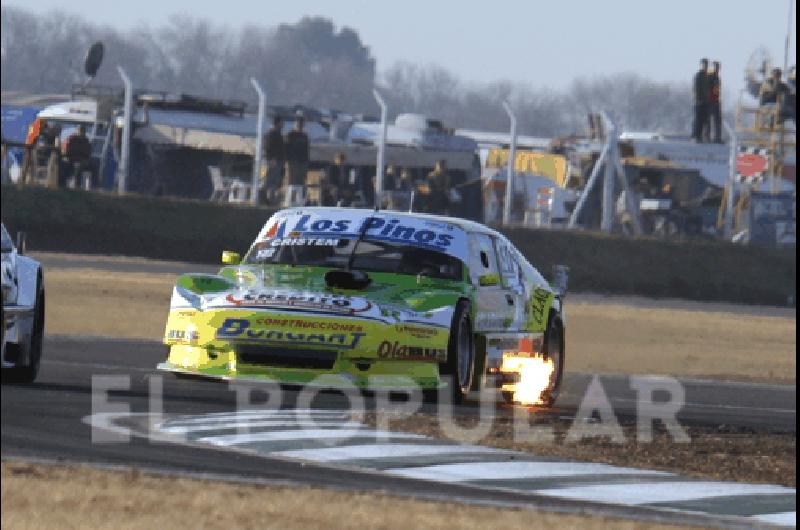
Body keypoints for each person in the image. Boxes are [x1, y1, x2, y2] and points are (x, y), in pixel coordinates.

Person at [260, 116, 285, 203]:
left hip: (279, 161)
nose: (283, 124)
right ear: (277, 123)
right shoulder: (271, 134)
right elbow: (268, 147)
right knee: (269, 181)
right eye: (281, 122)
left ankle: (271, 199)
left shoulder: (278, 134)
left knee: (275, 181)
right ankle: (263, 198)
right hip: (273, 161)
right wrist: (271, 159)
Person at [284, 115, 310, 189]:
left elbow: (306, 149)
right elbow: (286, 148)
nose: (300, 126)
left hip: (303, 162)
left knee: (301, 181)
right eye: (298, 124)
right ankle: (290, 198)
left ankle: (299, 198)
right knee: (291, 181)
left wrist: (306, 161)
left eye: (301, 124)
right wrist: (287, 160)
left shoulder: (305, 136)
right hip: (293, 161)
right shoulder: (290, 135)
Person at [692, 58, 710, 142]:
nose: (705, 66)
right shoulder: (698, 75)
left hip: (706, 102)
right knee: (698, 120)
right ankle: (696, 136)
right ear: (701, 65)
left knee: (704, 120)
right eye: (704, 64)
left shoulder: (707, 76)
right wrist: (698, 99)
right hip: (699, 101)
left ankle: (702, 137)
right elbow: (696, 88)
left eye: (706, 64)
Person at [708, 61, 723, 143]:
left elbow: (717, 90)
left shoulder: (717, 77)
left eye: (718, 67)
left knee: (717, 120)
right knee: (708, 120)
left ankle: (717, 138)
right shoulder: (710, 77)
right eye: (716, 67)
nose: (717, 69)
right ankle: (707, 137)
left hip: (716, 101)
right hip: (710, 101)